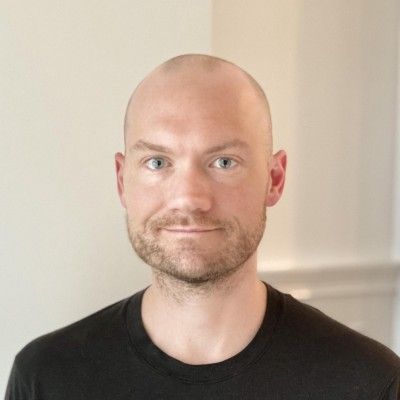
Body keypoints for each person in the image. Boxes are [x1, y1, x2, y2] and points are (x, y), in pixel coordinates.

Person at [5, 54, 400, 399]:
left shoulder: (369, 382)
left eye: (223, 162)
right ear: (123, 181)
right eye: (158, 162)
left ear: (274, 179)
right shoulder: (46, 377)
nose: (189, 197)